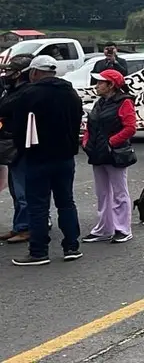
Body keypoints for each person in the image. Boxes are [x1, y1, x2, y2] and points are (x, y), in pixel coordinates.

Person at [0, 55, 85, 266]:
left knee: (38, 206)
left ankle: (39, 251)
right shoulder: (71, 93)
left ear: (35, 73)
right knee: (66, 202)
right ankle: (71, 246)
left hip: (37, 156)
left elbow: (6, 111)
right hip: (65, 157)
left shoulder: (29, 94)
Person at [81, 69, 137, 244]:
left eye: (100, 82)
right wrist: (86, 142)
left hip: (115, 153)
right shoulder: (100, 103)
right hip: (98, 153)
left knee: (119, 192)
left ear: (111, 85)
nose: (97, 85)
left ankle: (122, 229)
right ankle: (104, 228)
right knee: (102, 193)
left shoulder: (124, 102)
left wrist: (111, 143)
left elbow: (130, 127)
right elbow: (91, 126)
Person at [0, 54, 34, 245]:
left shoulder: (24, 92)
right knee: (15, 189)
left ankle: (26, 227)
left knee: (22, 190)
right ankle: (19, 225)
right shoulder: (12, 89)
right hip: (11, 143)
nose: (6, 74)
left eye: (11, 71)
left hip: (19, 144)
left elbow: (3, 108)